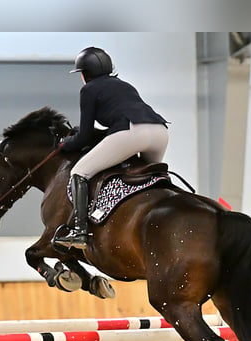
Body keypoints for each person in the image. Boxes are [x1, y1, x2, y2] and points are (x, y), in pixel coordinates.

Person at [53, 46, 169, 250]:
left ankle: (80, 231)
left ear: (85, 73)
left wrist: (64, 144)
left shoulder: (88, 89)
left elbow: (85, 136)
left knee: (79, 172)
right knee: (152, 178)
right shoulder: (125, 85)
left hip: (132, 132)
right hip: (160, 131)